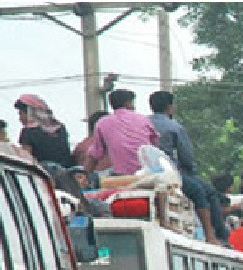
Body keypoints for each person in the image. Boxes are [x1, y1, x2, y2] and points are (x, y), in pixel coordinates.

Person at [148, 90, 224, 244]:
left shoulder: (143, 122)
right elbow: (187, 158)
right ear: (170, 107)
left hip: (144, 171)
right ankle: (215, 236)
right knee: (205, 191)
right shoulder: (174, 127)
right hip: (170, 173)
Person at [85, 89, 158, 176]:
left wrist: (84, 175)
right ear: (127, 103)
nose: (134, 107)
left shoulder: (102, 123)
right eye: (132, 103)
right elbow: (154, 145)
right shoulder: (143, 119)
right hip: (148, 173)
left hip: (122, 176)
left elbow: (95, 154)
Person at [13, 94, 72, 168]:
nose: (20, 118)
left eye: (21, 114)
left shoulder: (28, 131)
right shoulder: (59, 127)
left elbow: (27, 160)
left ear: (30, 112)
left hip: (42, 175)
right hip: (65, 173)